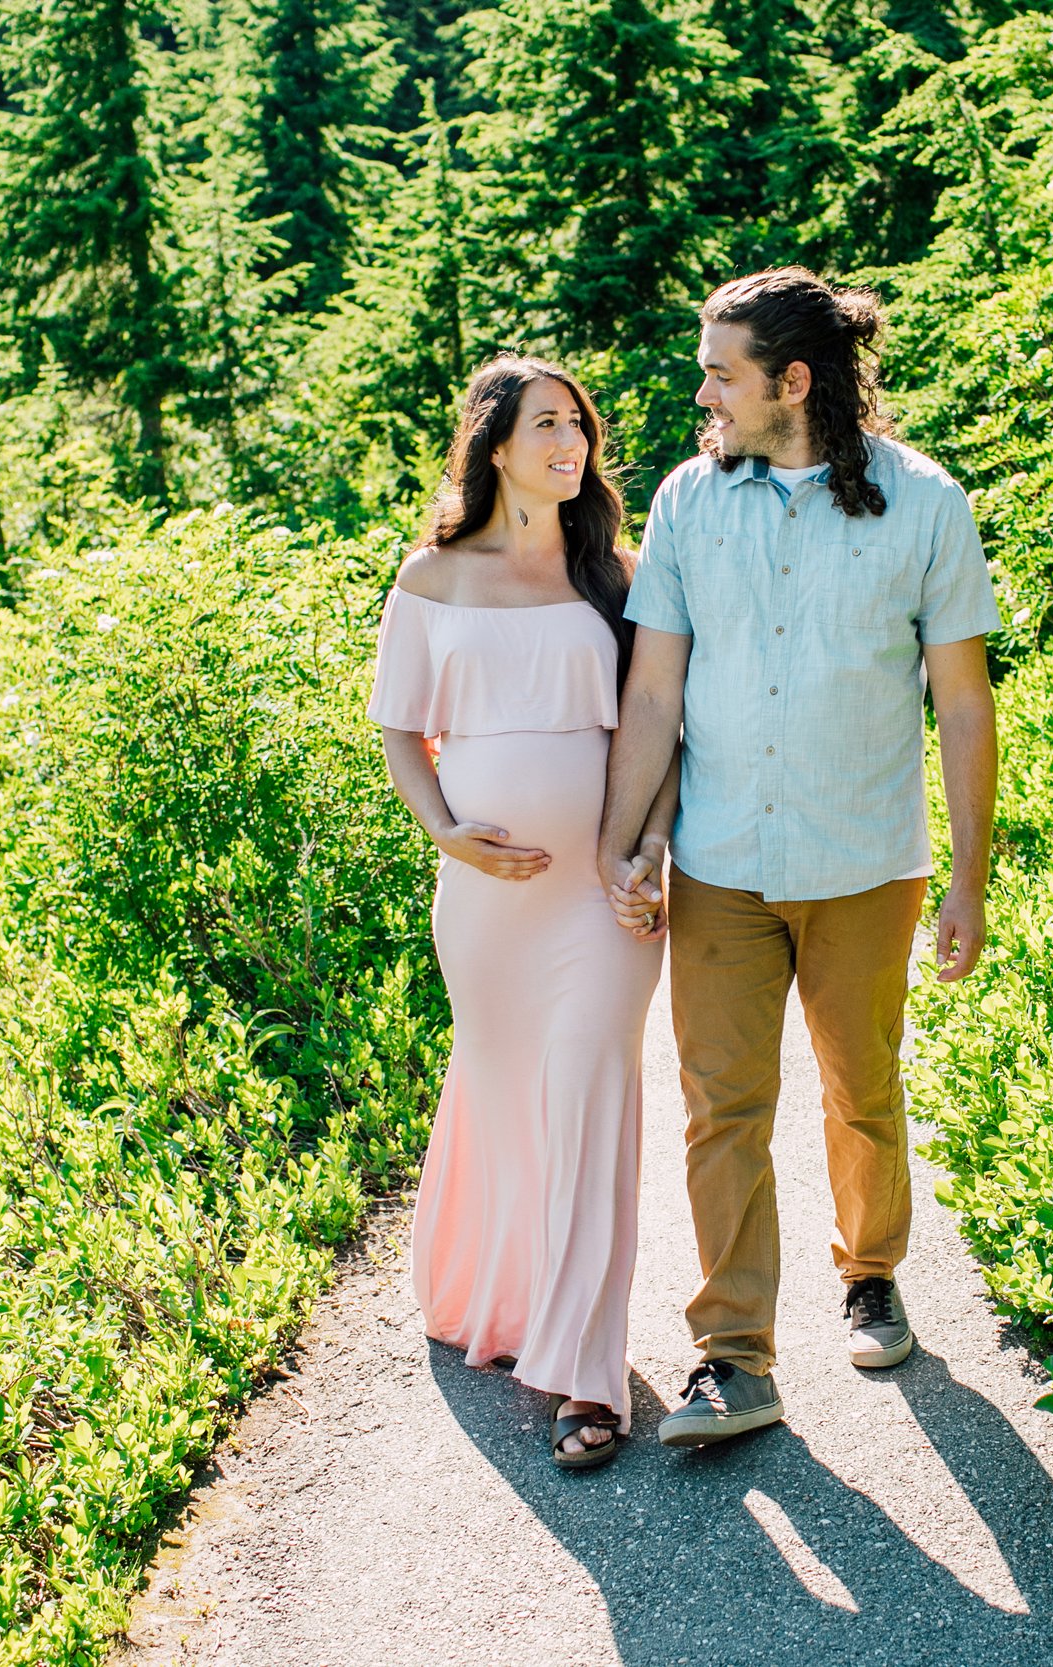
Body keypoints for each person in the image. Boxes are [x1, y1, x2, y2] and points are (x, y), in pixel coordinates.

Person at [596, 268, 1001, 1449]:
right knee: (721, 1102)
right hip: (721, 858)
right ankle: (733, 1355)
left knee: (859, 1085)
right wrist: (625, 846)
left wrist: (970, 877)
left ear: (794, 381)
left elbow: (963, 704)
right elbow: (654, 687)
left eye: (721, 371)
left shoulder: (925, 504)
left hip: (867, 857)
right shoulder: (687, 501)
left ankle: (869, 1272)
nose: (702, 391)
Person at [369, 356, 676, 1470]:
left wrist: (643, 849)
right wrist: (442, 828)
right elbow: (402, 729)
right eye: (546, 424)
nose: (570, 443)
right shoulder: (432, 575)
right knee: (502, 1089)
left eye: (580, 426)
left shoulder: (618, 575)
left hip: (603, 894)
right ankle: (495, 1289)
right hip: (485, 902)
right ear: (493, 445)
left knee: (590, 1098)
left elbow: (663, 726)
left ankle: (586, 1381)